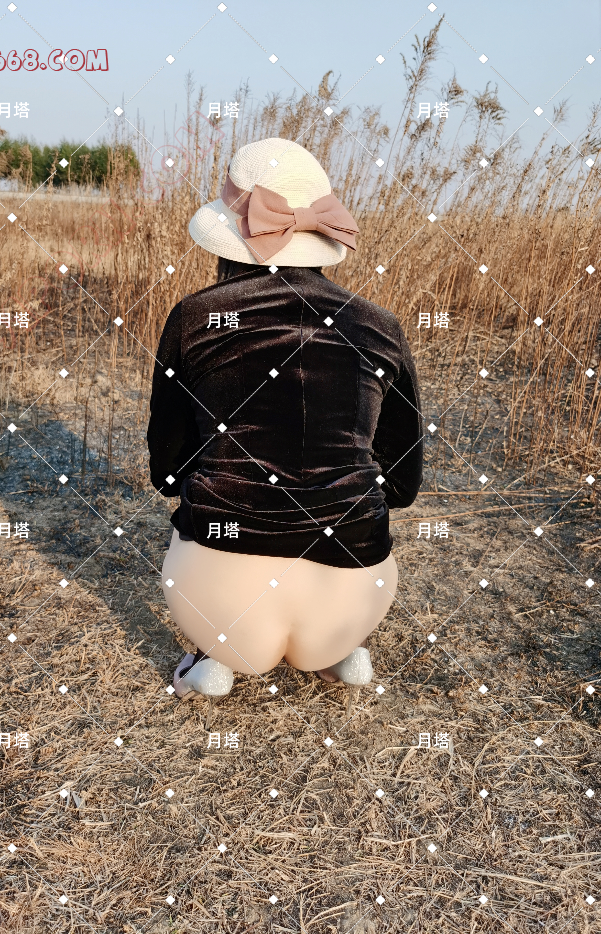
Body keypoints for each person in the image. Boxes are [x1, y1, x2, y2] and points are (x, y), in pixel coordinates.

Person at [146, 137, 424, 702]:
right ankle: (339, 651)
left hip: (219, 585)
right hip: (354, 587)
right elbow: (402, 483)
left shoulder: (197, 317)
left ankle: (213, 661)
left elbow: (168, 472)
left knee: (207, 553)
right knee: (342, 572)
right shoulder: (380, 326)